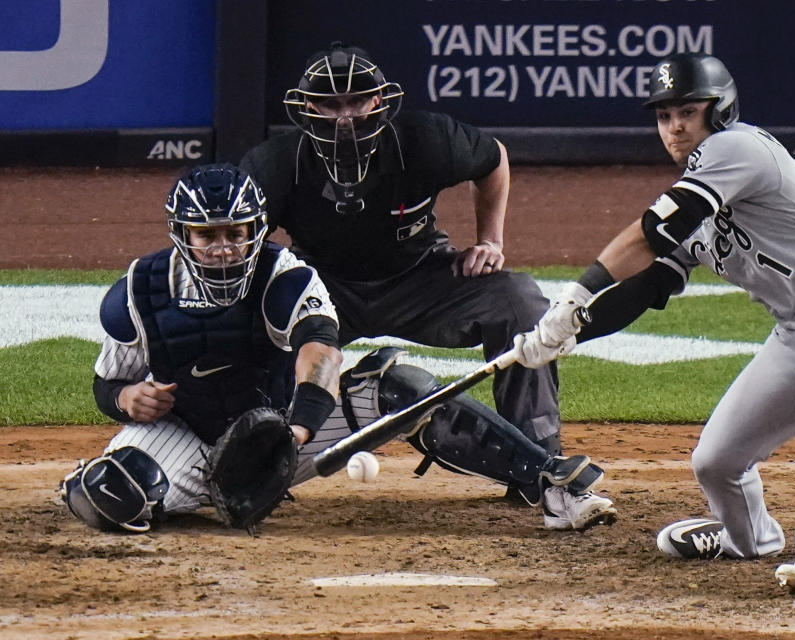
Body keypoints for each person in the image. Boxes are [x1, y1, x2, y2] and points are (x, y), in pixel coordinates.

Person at [511, 53, 795, 593]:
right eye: (664, 116)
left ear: (720, 110)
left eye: (688, 110)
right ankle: (749, 535)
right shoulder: (698, 204)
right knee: (715, 462)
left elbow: (652, 229)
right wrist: (568, 331)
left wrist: (576, 293)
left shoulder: (739, 149)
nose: (676, 126)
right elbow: (645, 287)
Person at [60, 163, 616, 533]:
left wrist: (294, 434)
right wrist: (126, 397)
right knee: (113, 495)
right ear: (182, 234)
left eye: (237, 233)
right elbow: (107, 383)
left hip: (282, 424)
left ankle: (548, 481)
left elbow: (320, 353)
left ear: (257, 231)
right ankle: (200, 488)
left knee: (401, 389)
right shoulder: (140, 290)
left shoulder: (287, 276)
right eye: (209, 235)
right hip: (183, 431)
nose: (225, 248)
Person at [239, 42, 565, 462]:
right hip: (325, 291)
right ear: (307, 107)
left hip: (420, 277)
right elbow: (240, 236)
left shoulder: (425, 139)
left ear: (378, 99)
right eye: (329, 104)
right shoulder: (277, 164)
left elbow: (493, 158)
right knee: (255, 320)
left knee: (520, 303)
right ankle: (261, 455)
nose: (345, 117)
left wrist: (490, 241)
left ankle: (535, 455)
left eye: (356, 101)